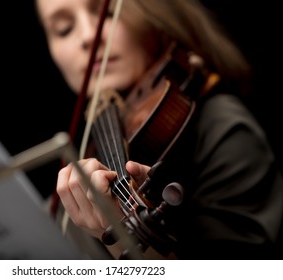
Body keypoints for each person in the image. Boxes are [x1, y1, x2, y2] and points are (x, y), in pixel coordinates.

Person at [34, 0, 283, 259]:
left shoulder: (223, 128)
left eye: (107, 14)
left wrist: (122, 239)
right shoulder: (99, 137)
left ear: (155, 13)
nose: (87, 36)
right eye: (63, 29)